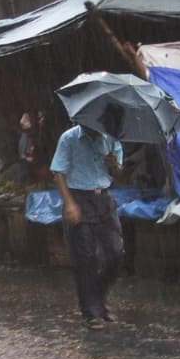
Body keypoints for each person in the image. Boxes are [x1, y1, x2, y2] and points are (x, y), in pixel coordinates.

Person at [50, 123, 125, 330]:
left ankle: (98, 298)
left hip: (103, 199)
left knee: (115, 254)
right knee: (86, 258)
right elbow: (58, 173)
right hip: (78, 197)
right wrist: (69, 203)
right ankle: (90, 311)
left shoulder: (111, 138)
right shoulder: (69, 138)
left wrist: (113, 165)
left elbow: (119, 174)